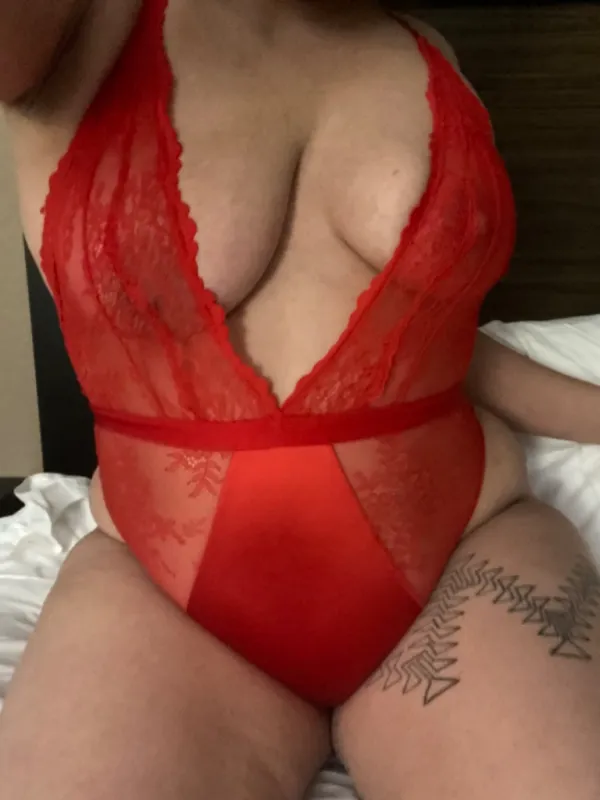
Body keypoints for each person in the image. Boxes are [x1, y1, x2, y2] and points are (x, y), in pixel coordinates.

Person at [1, 1, 599, 798]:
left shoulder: (424, 47)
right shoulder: (72, 31)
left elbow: (433, 346)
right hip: (169, 601)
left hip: (468, 553)